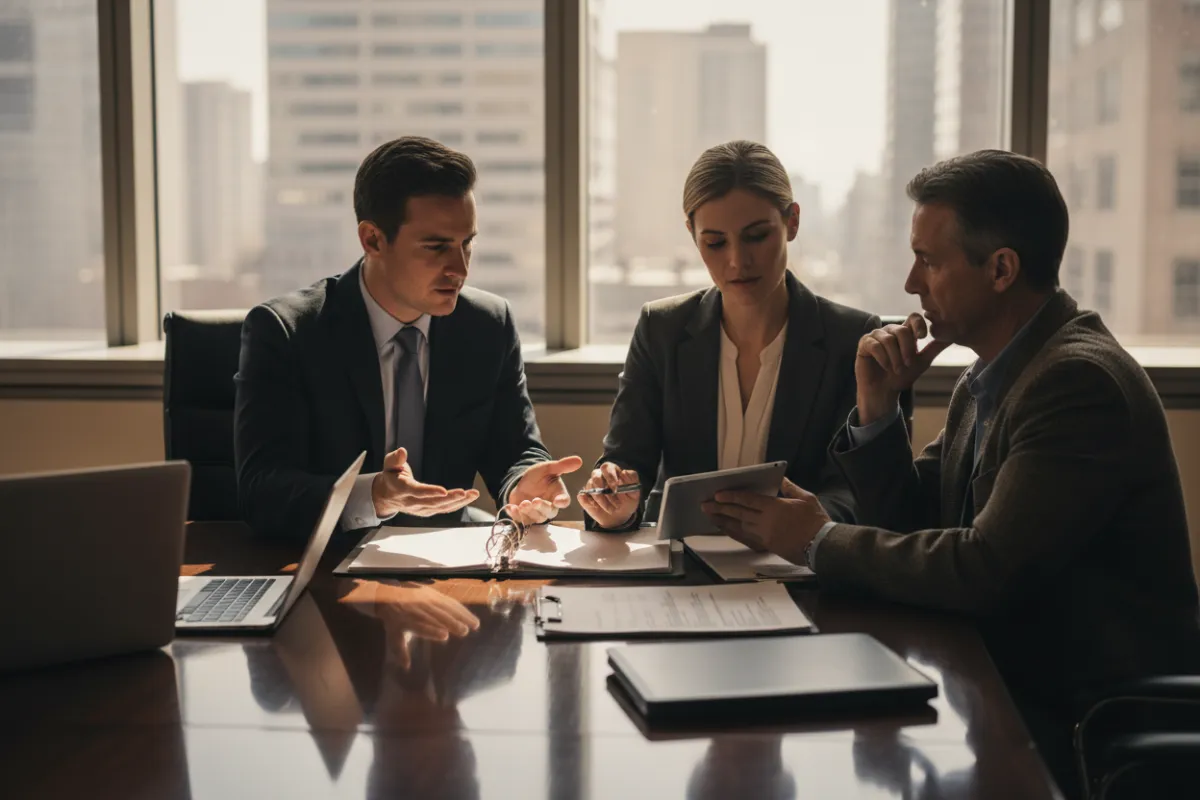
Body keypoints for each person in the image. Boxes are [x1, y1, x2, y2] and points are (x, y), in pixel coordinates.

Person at [702, 149, 1200, 797]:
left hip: (1080, 715)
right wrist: (878, 410)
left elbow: (984, 569)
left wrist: (815, 540)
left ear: (1000, 269)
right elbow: (916, 522)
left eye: (930, 261)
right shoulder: (990, 376)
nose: (911, 283)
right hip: (1000, 682)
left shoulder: (1076, 383)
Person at [235, 136, 581, 539]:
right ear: (373, 240)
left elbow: (514, 447)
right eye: (436, 248)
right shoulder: (287, 332)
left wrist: (523, 483)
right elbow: (262, 490)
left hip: (445, 555)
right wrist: (374, 495)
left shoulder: (487, 325)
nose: (460, 269)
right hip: (327, 558)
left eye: (466, 244)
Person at [579, 140, 879, 533]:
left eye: (756, 236)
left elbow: (859, 491)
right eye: (715, 242)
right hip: (679, 571)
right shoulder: (661, 329)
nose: (737, 261)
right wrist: (615, 503)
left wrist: (816, 524)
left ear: (792, 221)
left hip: (799, 572)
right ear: (692, 234)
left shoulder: (851, 339)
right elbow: (626, 461)